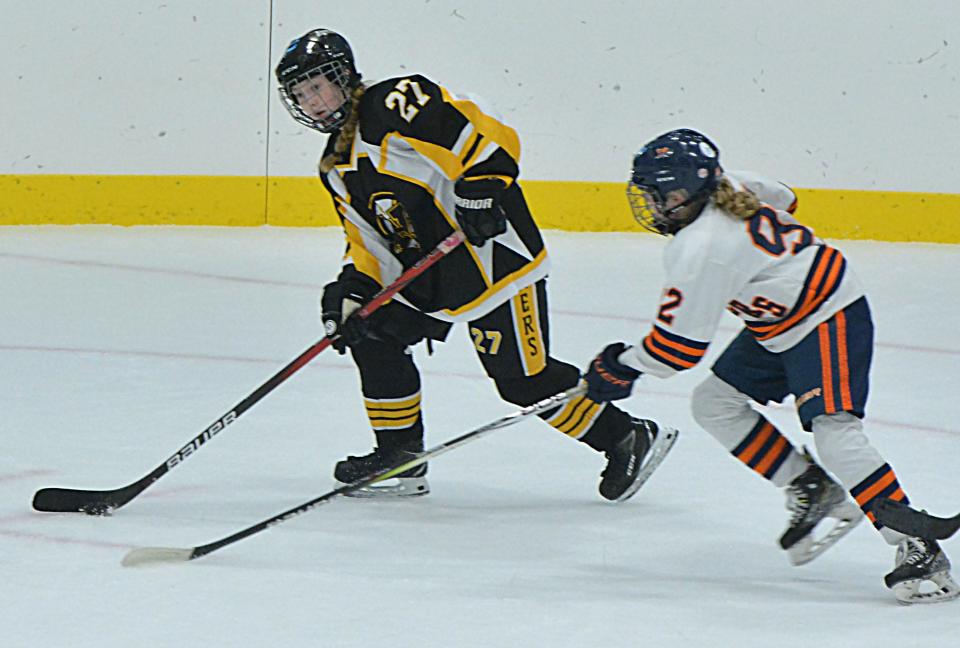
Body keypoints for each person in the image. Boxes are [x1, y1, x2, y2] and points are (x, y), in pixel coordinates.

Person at [273, 29, 678, 499]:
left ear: (344, 77)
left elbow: (485, 133)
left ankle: (626, 436)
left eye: (318, 85)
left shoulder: (393, 105)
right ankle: (400, 457)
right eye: (301, 94)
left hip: (495, 259)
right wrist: (352, 291)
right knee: (373, 329)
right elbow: (369, 245)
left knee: (523, 382)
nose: (314, 101)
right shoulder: (335, 168)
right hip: (431, 275)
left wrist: (482, 187)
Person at [582, 128, 958, 604]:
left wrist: (619, 367)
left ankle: (917, 544)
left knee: (834, 430)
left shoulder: (698, 250)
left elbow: (677, 350)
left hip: (829, 312)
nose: (654, 206)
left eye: (663, 195)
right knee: (713, 403)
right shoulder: (734, 183)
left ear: (689, 192)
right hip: (778, 322)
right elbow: (789, 199)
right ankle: (809, 486)